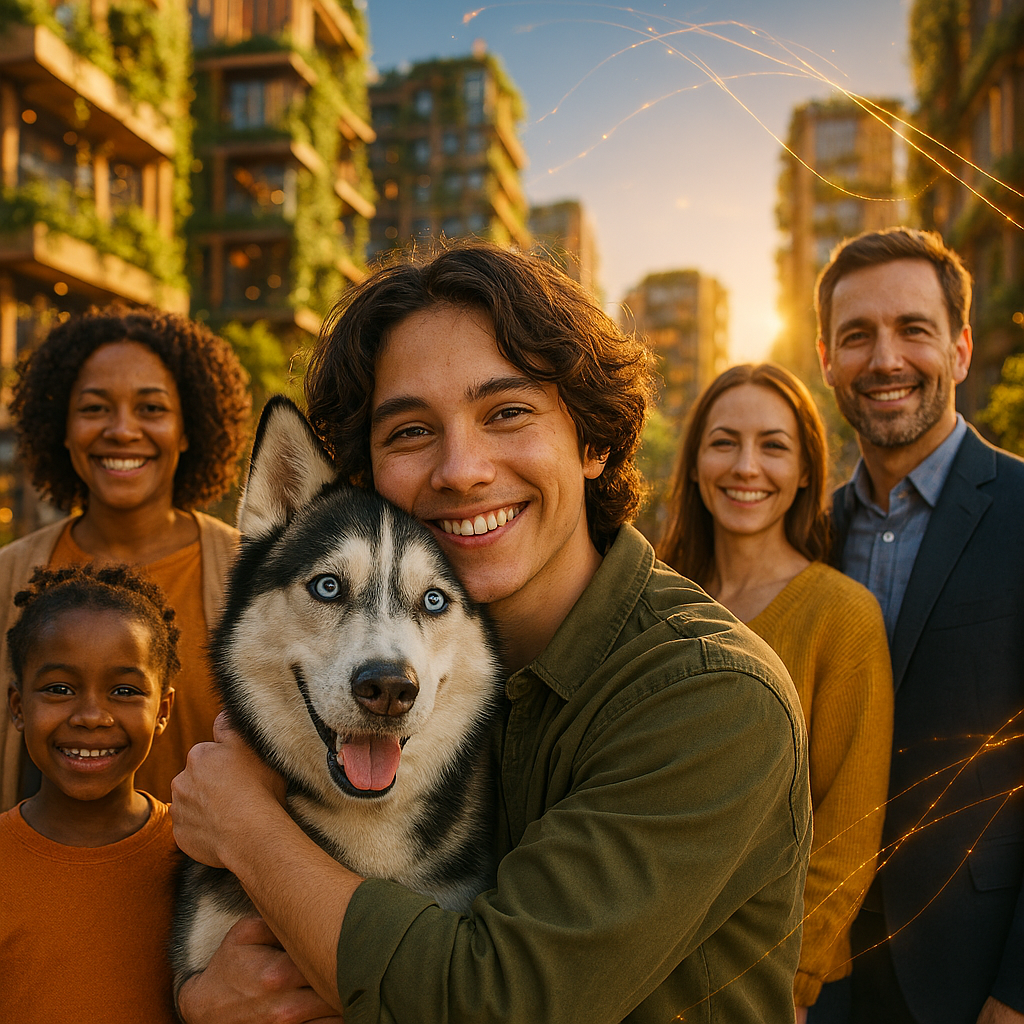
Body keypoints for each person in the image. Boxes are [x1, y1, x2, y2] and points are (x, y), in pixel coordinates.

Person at [171, 240, 812, 1023]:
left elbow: (492, 1003)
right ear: (368, 477)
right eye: (411, 431)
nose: (461, 470)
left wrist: (246, 828)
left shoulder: (713, 696)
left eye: (506, 413)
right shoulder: (400, 677)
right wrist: (201, 996)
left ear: (593, 441)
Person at [815, 227, 1024, 1024]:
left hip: (976, 971)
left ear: (960, 350)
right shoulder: (809, 536)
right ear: (827, 360)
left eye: (913, 329)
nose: (885, 359)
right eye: (857, 335)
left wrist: (1019, 993)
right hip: (826, 977)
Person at [658, 362, 893, 1021]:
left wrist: (791, 981)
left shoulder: (843, 617)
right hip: (645, 972)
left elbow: (847, 832)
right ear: (695, 463)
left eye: (774, 446)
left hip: (771, 993)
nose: (746, 467)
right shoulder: (654, 600)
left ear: (806, 472)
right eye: (724, 442)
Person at [0, 306, 250, 808]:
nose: (122, 430)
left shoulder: (249, 572)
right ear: (62, 427)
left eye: (151, 408)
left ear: (187, 429)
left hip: (215, 860)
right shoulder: (8, 576)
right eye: (94, 408)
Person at [1, 563, 182, 1023]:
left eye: (124, 690)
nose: (92, 716)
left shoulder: (199, 855)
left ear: (162, 710)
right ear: (18, 707)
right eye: (60, 689)